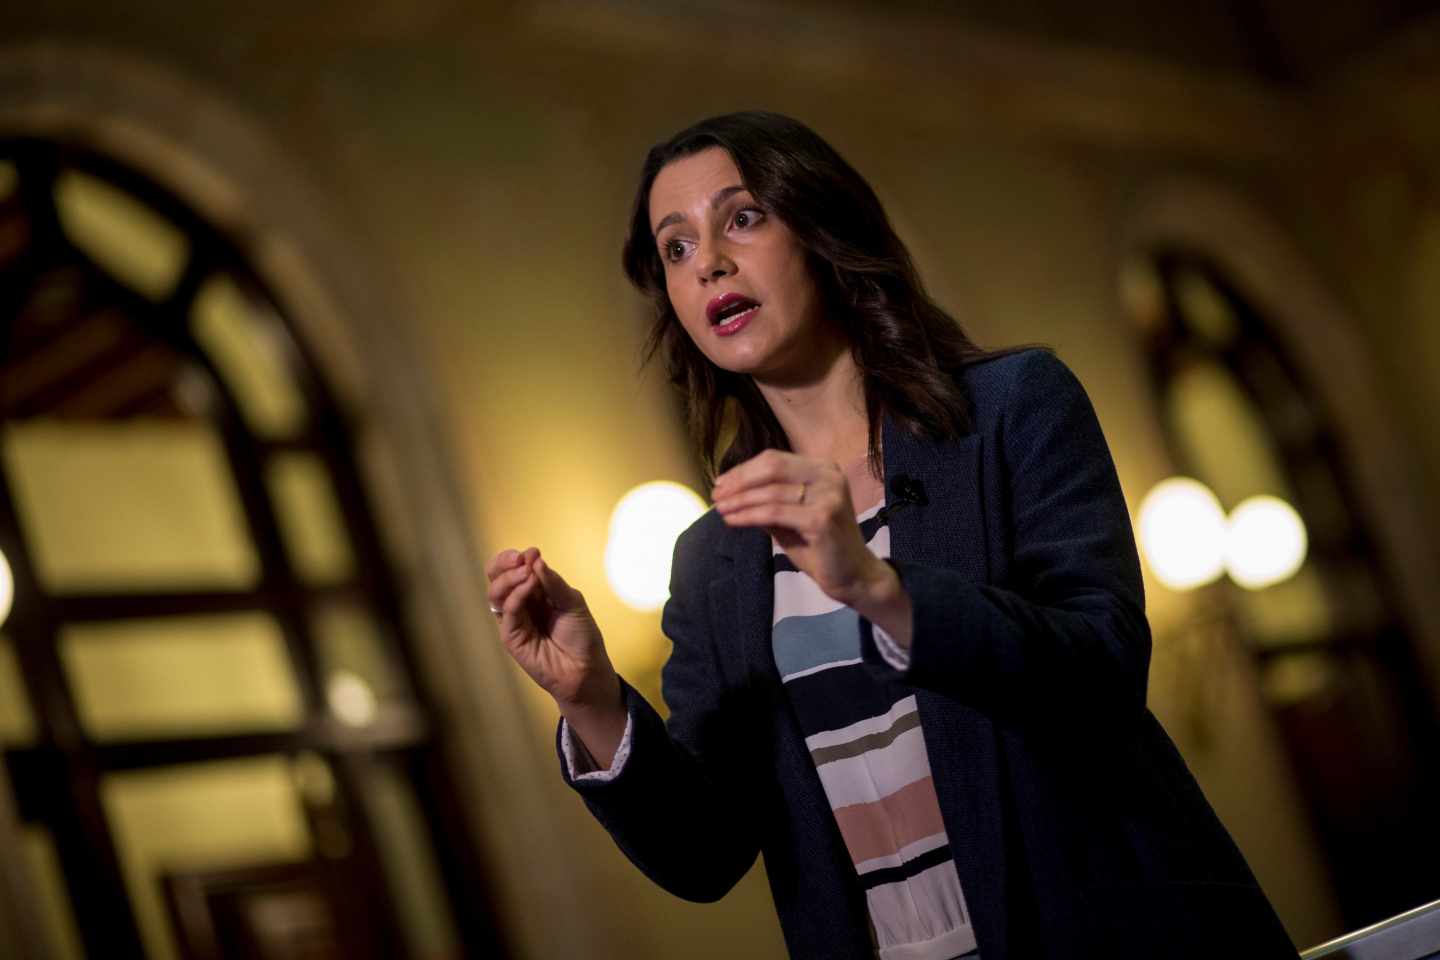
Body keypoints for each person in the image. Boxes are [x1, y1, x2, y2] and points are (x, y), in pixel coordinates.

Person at [485, 112, 1297, 959]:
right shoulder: (712, 559)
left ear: (823, 227)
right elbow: (705, 854)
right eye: (677, 248)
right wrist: (593, 702)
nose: (710, 262)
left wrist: (879, 588)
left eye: (743, 217)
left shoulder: (1014, 409)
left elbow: (1100, 674)